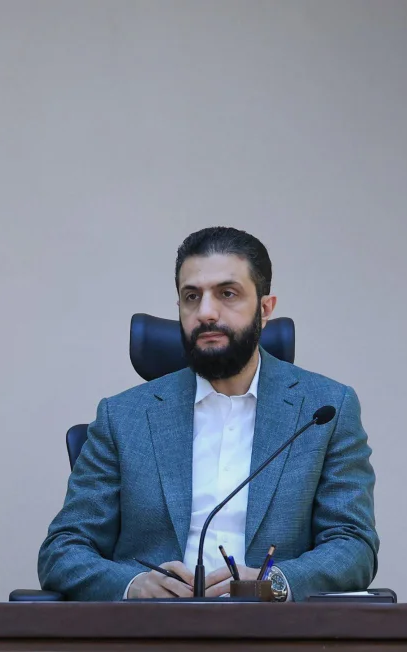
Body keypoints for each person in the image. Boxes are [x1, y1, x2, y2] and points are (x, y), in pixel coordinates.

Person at [37, 227, 378, 601]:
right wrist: (133, 586)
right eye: (192, 297)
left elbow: (353, 544)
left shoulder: (324, 410)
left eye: (227, 294)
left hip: (273, 627)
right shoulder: (122, 417)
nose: (206, 312)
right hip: (154, 627)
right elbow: (63, 551)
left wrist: (274, 584)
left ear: (265, 309)